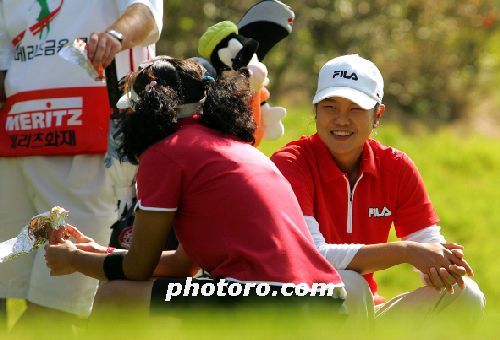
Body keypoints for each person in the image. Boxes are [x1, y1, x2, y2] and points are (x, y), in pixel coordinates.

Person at [44, 57, 346, 315]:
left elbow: (137, 269)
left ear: (146, 109)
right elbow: (181, 265)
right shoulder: (231, 145)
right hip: (326, 298)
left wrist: (74, 259)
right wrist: (100, 251)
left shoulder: (165, 153)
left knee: (117, 295)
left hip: (268, 298)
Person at [271, 54, 485, 320]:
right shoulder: (291, 164)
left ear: (378, 114)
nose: (341, 119)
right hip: (299, 311)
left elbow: (426, 244)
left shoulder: (395, 166)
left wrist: (442, 264)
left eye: (355, 109)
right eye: (330, 107)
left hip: (365, 311)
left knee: (465, 295)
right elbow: (311, 256)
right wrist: (405, 252)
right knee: (348, 285)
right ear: (315, 109)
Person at [0, 0, 162, 320]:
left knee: (60, 301)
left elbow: (145, 14)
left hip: (94, 134)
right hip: (15, 136)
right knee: (5, 285)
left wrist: (113, 35)